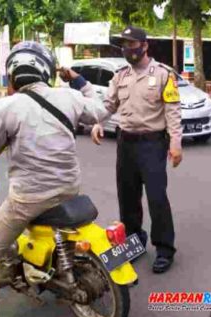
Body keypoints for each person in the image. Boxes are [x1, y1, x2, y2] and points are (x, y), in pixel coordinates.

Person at [0, 41, 107, 317]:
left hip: (29, 197)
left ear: (12, 75)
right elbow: (101, 108)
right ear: (48, 70)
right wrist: (77, 79)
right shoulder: (68, 96)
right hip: (69, 188)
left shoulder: (8, 106)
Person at [63, 26, 182, 274]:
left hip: (152, 143)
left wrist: (175, 143)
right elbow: (108, 105)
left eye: (133, 44)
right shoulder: (120, 76)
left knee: (157, 197)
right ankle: (134, 241)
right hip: (126, 143)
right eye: (125, 45)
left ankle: (164, 248)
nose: (129, 49)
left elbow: (172, 110)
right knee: (127, 197)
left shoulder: (162, 74)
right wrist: (98, 123)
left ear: (145, 45)